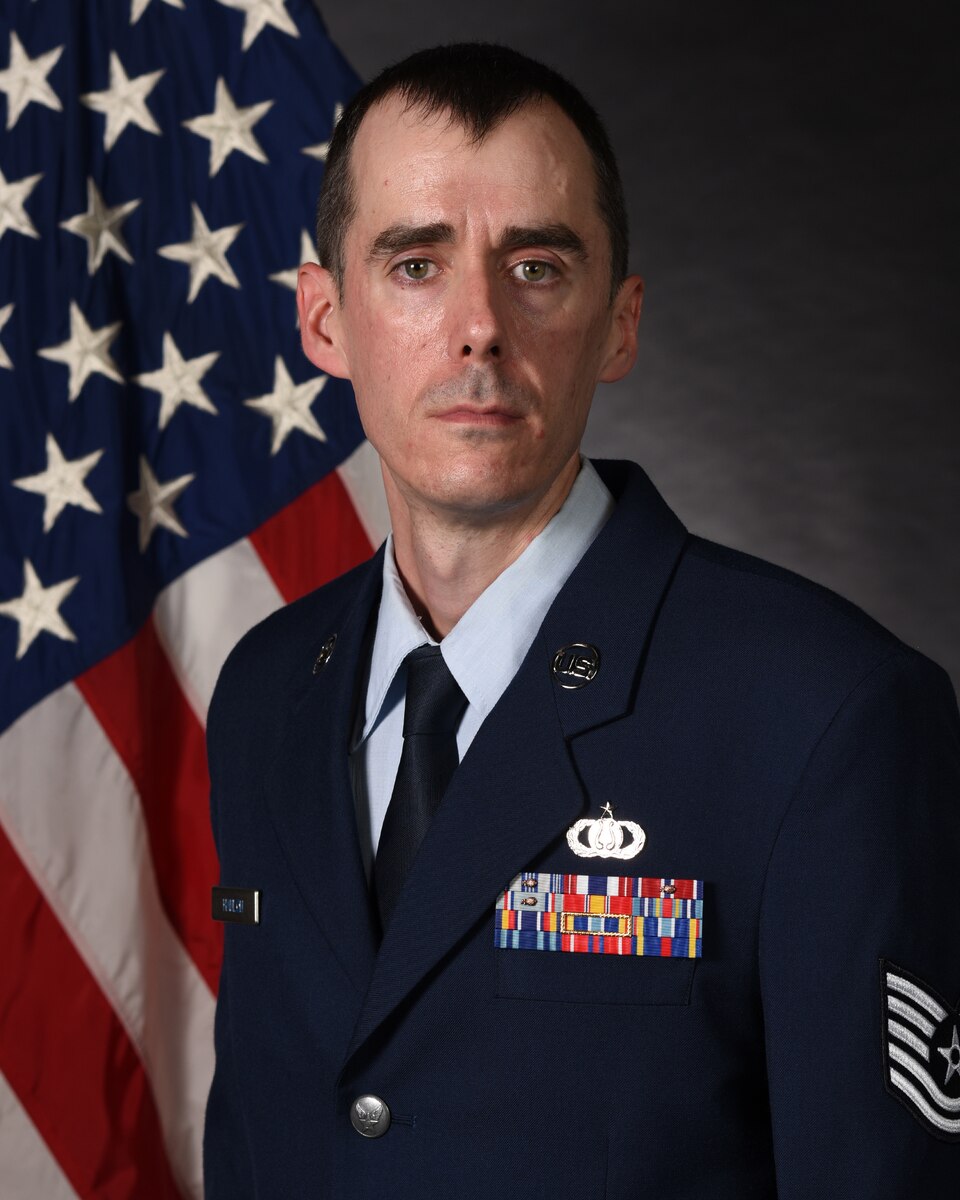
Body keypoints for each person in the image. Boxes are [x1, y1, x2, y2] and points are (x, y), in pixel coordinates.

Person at [203, 43, 960, 1199]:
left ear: (619, 322)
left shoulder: (823, 715)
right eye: (414, 263)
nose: (479, 328)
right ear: (324, 321)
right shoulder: (266, 694)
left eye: (538, 266)